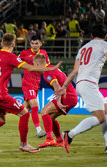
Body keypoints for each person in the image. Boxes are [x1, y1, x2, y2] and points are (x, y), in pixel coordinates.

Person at [0, 33, 61, 154]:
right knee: (25, 114)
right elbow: (30, 68)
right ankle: (24, 144)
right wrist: (49, 68)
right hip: (1, 94)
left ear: (2, 43)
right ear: (13, 44)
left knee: (1, 120)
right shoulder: (11, 57)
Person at [56, 24, 107, 153]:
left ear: (91, 35)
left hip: (81, 83)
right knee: (102, 118)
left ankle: (70, 134)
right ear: (106, 36)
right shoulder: (104, 45)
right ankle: (71, 134)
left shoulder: (83, 48)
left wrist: (64, 87)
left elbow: (74, 71)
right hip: (88, 84)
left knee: (105, 113)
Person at [32, 54, 78, 148]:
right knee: (50, 117)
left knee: (44, 111)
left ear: (37, 64)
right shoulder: (51, 68)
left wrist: (58, 102)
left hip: (67, 96)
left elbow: (57, 86)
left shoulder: (47, 72)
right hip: (71, 96)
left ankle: (49, 139)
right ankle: (60, 140)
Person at [19, 35, 49, 138]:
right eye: (32, 43)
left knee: (26, 108)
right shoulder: (25, 53)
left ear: (41, 43)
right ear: (30, 44)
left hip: (36, 83)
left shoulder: (44, 53)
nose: (35, 45)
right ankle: (39, 130)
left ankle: (23, 130)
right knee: (35, 105)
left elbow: (47, 66)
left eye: (37, 43)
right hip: (27, 83)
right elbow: (16, 62)